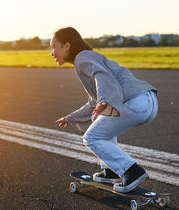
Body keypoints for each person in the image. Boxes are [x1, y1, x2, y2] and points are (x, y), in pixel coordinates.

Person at [51, 27, 158, 193]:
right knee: (100, 118)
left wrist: (104, 100)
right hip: (146, 101)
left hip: (133, 102)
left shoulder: (81, 58)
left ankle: (132, 171)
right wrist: (71, 118)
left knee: (91, 138)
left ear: (67, 46)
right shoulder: (89, 57)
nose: (52, 52)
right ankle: (111, 171)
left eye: (53, 47)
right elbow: (93, 103)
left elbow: (102, 76)